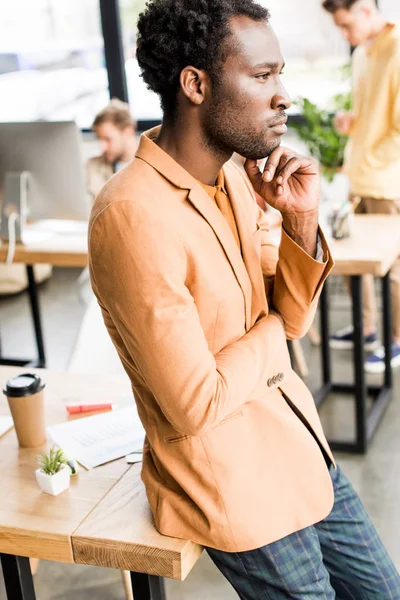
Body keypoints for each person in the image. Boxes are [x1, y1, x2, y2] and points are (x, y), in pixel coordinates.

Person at [88, 1, 400, 597]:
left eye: (279, 73)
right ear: (196, 84)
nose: (282, 94)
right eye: (262, 76)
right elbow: (196, 402)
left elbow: (296, 313)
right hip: (235, 484)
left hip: (300, 444)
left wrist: (299, 223)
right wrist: (274, 328)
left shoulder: (232, 175)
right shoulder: (131, 215)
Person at [323, 0, 400, 373]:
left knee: (395, 266)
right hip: (358, 176)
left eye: (346, 25)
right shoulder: (361, 55)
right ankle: (368, 329)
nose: (344, 35)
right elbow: (371, 116)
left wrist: (371, 158)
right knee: (353, 255)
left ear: (367, 11)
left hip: (388, 182)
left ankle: (398, 341)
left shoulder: (399, 48)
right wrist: (351, 122)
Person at [86, 98, 138, 203]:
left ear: (128, 132)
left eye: (107, 139)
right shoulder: (94, 166)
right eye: (99, 139)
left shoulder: (151, 165)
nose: (102, 147)